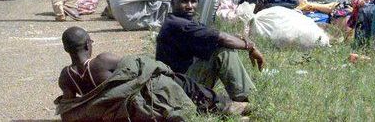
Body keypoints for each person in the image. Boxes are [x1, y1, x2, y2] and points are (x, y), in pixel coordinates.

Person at [56, 27, 243, 121]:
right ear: (89, 44)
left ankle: (222, 105)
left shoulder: (66, 76)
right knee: (175, 80)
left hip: (115, 114)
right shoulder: (102, 61)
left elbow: (71, 107)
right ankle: (223, 105)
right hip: (135, 106)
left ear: (66, 49)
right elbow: (141, 67)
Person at [156, 0, 264, 103]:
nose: (189, 6)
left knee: (220, 45)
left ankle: (245, 98)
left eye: (193, 1)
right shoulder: (179, 24)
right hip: (176, 88)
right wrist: (250, 47)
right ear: (173, 3)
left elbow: (212, 35)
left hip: (179, 82)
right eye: (184, 2)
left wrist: (242, 39)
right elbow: (222, 38)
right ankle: (247, 99)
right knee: (223, 52)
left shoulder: (181, 22)